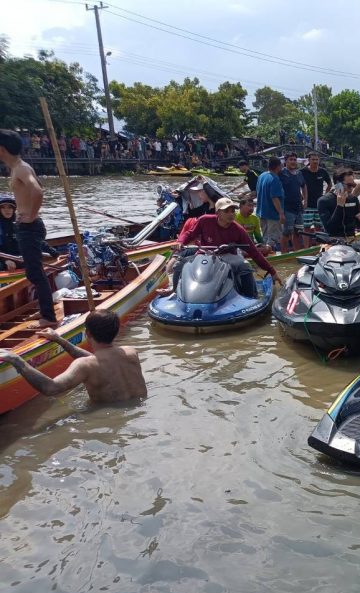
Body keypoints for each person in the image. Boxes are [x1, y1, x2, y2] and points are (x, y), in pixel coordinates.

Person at [0, 310, 147, 403]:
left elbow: (51, 388)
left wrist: (16, 360)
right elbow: (100, 362)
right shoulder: (131, 352)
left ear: (87, 334)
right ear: (116, 331)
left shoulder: (85, 365)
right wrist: (60, 340)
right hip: (140, 409)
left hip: (109, 421)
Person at [168, 198, 280, 297]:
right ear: (218, 213)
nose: (231, 214)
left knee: (244, 266)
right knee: (179, 264)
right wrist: (180, 242)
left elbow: (254, 252)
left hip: (227, 256)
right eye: (226, 211)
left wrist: (272, 271)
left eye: (233, 211)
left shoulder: (238, 229)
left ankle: (250, 297)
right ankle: (174, 292)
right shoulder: (204, 220)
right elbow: (189, 234)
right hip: (204, 254)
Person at [0, 129, 56, 326]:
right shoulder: (18, 168)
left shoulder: (21, 169)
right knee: (34, 271)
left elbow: (38, 190)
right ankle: (44, 311)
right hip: (27, 227)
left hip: (29, 227)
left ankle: (49, 317)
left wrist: (30, 215)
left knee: (35, 273)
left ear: (2, 149)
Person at [317, 168, 360, 238]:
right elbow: (330, 229)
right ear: (338, 184)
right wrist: (339, 206)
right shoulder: (324, 201)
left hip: (351, 240)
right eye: (349, 185)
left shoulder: (353, 199)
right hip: (333, 241)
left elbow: (359, 225)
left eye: (353, 185)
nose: (351, 189)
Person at [300, 152, 332, 239]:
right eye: (313, 159)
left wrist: (326, 195)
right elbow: (297, 185)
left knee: (319, 228)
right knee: (306, 228)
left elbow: (329, 184)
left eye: (317, 159)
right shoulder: (303, 171)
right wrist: (302, 198)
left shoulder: (322, 171)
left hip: (319, 204)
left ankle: (318, 246)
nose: (315, 161)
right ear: (309, 160)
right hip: (307, 205)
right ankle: (306, 248)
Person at [256, 156, 285, 251]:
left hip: (261, 212)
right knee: (273, 238)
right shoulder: (274, 179)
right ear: (278, 167)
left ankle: (263, 255)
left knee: (265, 237)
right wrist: (281, 213)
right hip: (272, 214)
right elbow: (275, 198)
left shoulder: (262, 176)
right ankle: (267, 254)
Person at [279, 153, 306, 253]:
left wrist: (305, 200)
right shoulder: (281, 173)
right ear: (285, 161)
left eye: (295, 159)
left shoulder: (299, 173)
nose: (293, 162)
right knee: (287, 233)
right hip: (287, 208)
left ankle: (297, 252)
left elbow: (304, 186)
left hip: (298, 207)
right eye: (291, 159)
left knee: (298, 232)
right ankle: (284, 253)